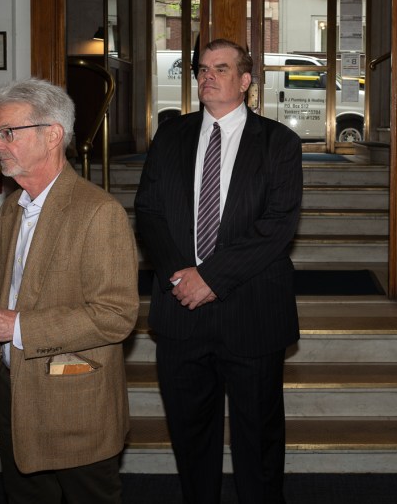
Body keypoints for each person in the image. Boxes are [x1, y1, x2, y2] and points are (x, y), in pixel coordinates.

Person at [0, 78, 139, 503]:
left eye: (7, 132)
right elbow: (11, 290)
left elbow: (116, 316)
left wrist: (14, 325)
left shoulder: (99, 212)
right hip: (15, 393)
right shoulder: (11, 209)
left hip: (74, 404)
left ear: (52, 135)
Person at [134, 38, 303, 504]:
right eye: (202, 69)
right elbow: (148, 211)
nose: (207, 76)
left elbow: (277, 225)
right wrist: (180, 274)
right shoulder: (170, 135)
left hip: (252, 312)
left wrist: (210, 278)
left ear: (245, 81)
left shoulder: (279, 143)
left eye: (221, 68)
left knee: (258, 440)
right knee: (191, 438)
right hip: (181, 311)